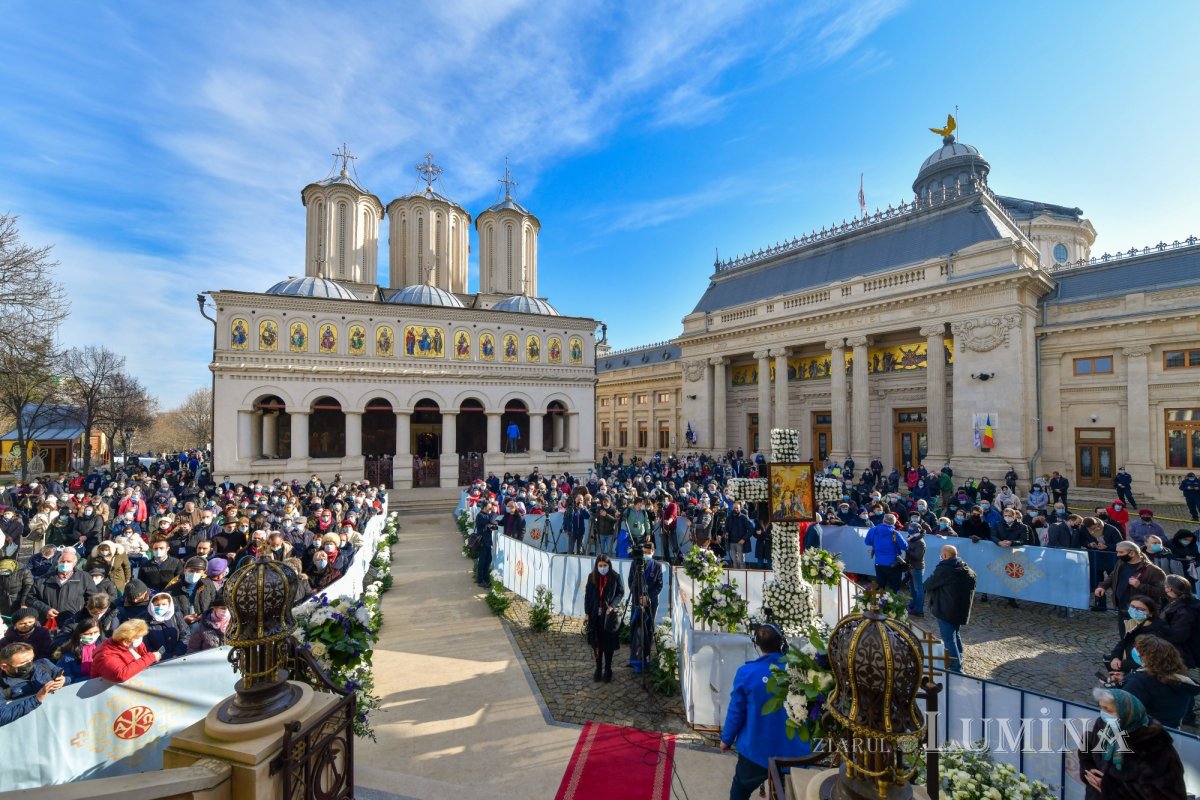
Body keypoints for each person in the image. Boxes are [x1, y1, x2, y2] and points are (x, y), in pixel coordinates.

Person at [720, 623, 811, 800]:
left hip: (756, 751)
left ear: (757, 645)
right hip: (793, 753)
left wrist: (726, 739)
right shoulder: (799, 672)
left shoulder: (746, 673)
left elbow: (736, 711)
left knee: (740, 788)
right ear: (782, 644)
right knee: (786, 793)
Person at [1078, 688, 1185, 799]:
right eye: (1101, 708)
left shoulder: (1155, 746)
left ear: (1125, 712)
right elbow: (1089, 748)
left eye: (1108, 710)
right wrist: (1088, 770)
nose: (1103, 714)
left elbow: (1168, 795)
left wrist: (1109, 789)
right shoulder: (1103, 725)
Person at [1107, 634, 1200, 729]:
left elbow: (1121, 710)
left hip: (1143, 734)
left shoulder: (1140, 682)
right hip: (1170, 732)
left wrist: (1112, 687)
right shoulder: (1182, 681)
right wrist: (1127, 678)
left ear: (1147, 658)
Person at [1096, 541, 1167, 635]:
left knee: (1138, 640)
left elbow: (1163, 592)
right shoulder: (1121, 562)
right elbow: (1113, 575)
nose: (1118, 555)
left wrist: (1140, 586)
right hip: (1122, 609)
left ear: (1132, 553)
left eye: (1121, 552)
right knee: (1124, 638)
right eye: (1117, 552)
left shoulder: (1153, 570)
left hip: (1140, 612)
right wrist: (1103, 586)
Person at [925, 544, 976, 672]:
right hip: (960, 608)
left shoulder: (945, 569)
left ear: (946, 555)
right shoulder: (965, 567)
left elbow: (928, 584)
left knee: (948, 639)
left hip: (946, 608)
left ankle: (955, 667)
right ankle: (959, 656)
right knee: (955, 634)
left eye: (942, 554)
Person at [0, 642, 68, 726]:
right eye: (22, 663)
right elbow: (1, 717)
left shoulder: (44, 664)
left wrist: (64, 681)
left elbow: (71, 679)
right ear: (4, 667)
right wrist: (36, 699)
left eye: (31, 660)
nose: (29, 664)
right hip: (29, 728)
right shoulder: (2, 686)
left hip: (59, 720)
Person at [584, 554, 624, 683]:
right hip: (595, 615)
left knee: (608, 643)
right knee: (597, 643)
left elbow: (620, 592)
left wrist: (612, 605)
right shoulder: (592, 577)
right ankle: (598, 668)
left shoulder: (615, 576)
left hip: (608, 616)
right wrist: (587, 613)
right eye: (600, 565)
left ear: (609, 565)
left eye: (605, 565)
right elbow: (587, 596)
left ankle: (608, 669)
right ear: (597, 566)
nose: (602, 568)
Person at [1106, 595, 1168, 673]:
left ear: (1151, 613)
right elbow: (1123, 642)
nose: (1135, 610)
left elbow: (1147, 662)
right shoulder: (1135, 623)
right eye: (1132, 606)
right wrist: (1115, 657)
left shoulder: (1156, 632)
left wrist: (1122, 665)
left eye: (1140, 609)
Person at [628, 541, 664, 673]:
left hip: (650, 603)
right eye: (644, 552)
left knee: (648, 629)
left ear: (653, 552)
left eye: (649, 552)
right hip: (637, 600)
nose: (646, 554)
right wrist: (638, 597)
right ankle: (634, 658)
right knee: (635, 627)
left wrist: (648, 598)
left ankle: (647, 657)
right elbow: (631, 582)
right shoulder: (635, 564)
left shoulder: (658, 566)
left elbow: (659, 585)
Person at [91, 619, 162, 683]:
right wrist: (151, 657)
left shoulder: (134, 644)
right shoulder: (105, 654)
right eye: (138, 637)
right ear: (126, 641)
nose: (141, 639)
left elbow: (141, 661)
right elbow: (120, 675)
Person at [864, 513, 907, 591]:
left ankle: (880, 602)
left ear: (883, 520)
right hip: (893, 564)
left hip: (879, 563)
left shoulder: (873, 530)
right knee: (894, 589)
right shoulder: (894, 533)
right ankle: (892, 602)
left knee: (880, 588)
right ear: (894, 522)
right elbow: (904, 546)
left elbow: (867, 542)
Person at [473, 499, 500, 587]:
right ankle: (480, 580)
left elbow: (494, 524)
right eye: (489, 506)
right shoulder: (481, 516)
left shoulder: (487, 515)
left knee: (488, 560)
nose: (491, 507)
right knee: (482, 561)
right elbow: (491, 521)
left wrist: (493, 524)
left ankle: (485, 577)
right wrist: (494, 512)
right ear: (484, 507)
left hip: (488, 541)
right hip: (482, 542)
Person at [726, 501, 753, 569]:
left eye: (737, 508)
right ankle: (735, 575)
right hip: (731, 542)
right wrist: (725, 533)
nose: (736, 509)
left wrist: (744, 539)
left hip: (740, 542)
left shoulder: (744, 517)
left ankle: (743, 575)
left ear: (740, 508)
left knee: (741, 561)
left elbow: (751, 529)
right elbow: (725, 528)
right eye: (734, 508)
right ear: (732, 508)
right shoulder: (729, 517)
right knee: (734, 561)